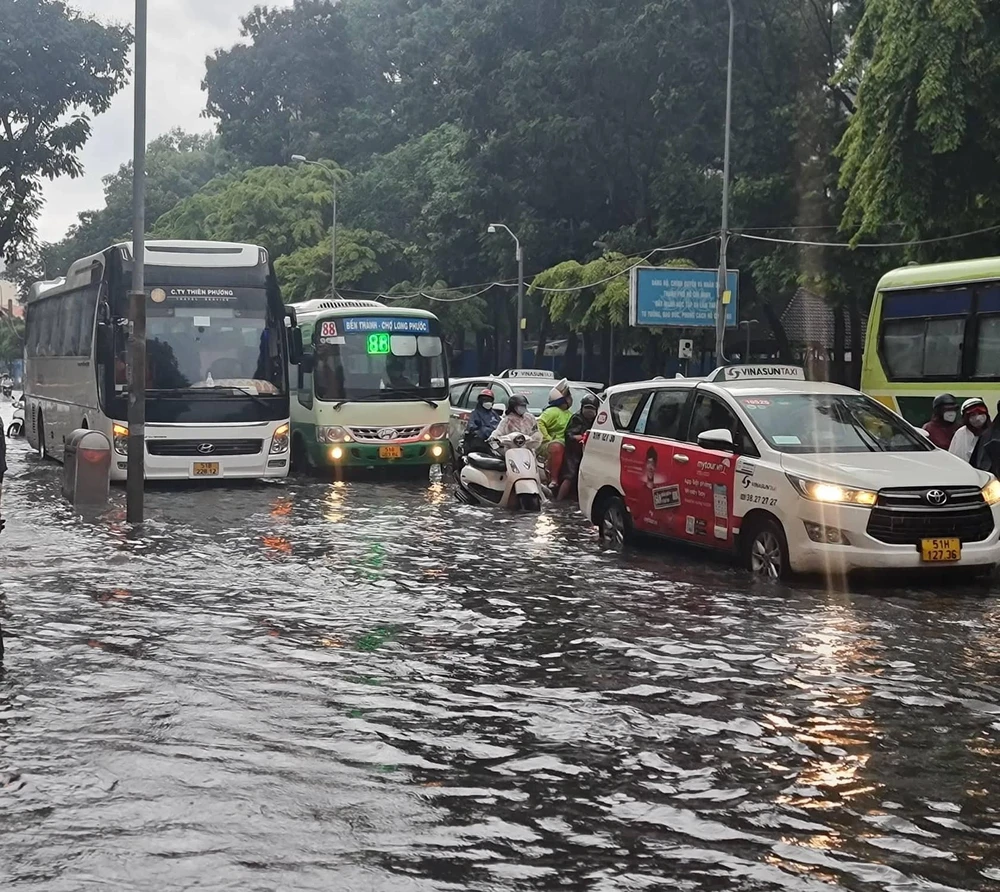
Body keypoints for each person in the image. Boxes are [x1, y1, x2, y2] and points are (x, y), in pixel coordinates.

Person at [557, 393, 600, 501]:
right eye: (587, 408)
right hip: (574, 452)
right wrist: (581, 437)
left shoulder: (598, 419)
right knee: (569, 476)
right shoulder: (577, 418)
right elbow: (569, 435)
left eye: (592, 408)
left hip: (590, 451)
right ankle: (559, 500)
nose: (589, 411)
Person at [538, 384, 574, 484]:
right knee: (557, 447)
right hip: (550, 445)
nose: (571, 399)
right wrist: (548, 439)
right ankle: (553, 479)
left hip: (567, 444)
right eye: (568, 397)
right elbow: (540, 423)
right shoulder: (551, 412)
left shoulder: (569, 413)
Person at [949, 397, 990, 463]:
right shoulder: (961, 434)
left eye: (980, 413)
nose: (978, 418)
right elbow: (954, 459)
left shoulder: (994, 433)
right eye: (973, 415)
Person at [464, 388, 500, 455]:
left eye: (489, 400)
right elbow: (471, 427)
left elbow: (501, 426)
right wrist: (483, 431)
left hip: (495, 441)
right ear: (480, 401)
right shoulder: (475, 413)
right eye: (485, 400)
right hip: (482, 443)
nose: (488, 402)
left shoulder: (494, 414)